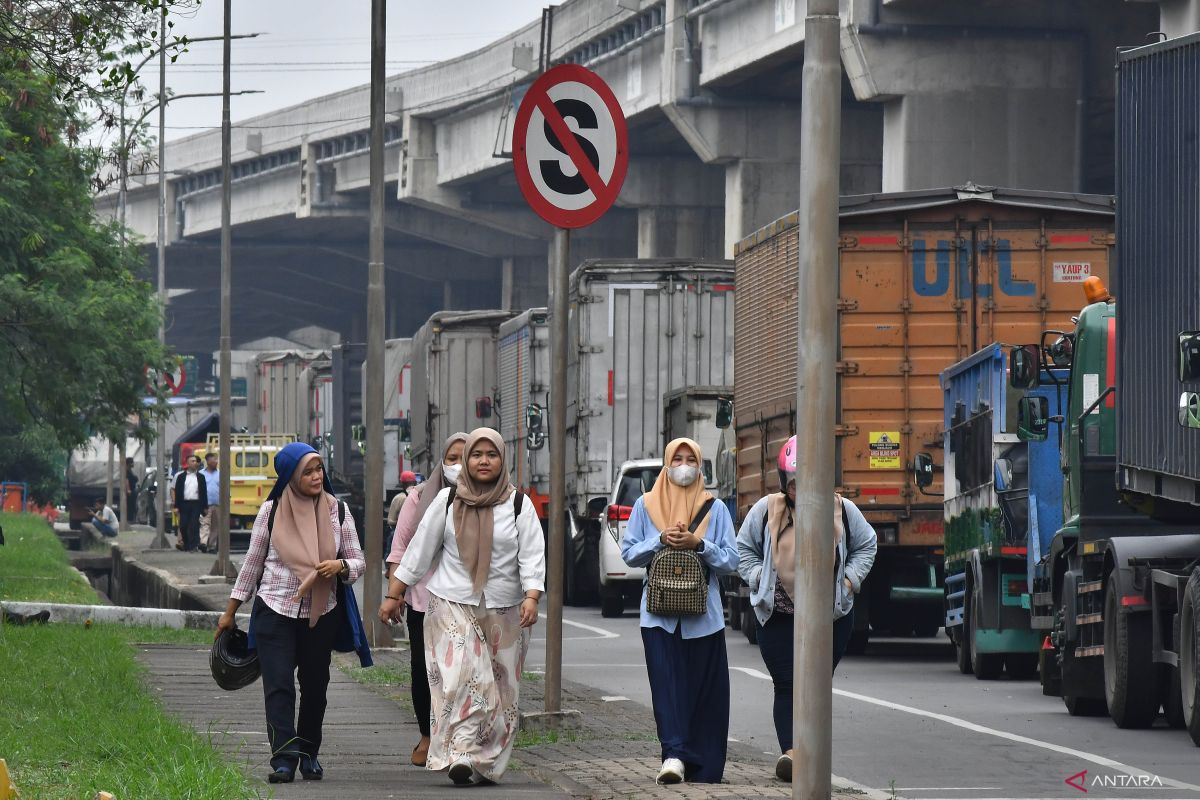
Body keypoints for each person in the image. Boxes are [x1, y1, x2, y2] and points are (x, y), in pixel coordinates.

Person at [379, 428, 544, 786]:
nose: (483, 461)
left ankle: (485, 763)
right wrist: (395, 594)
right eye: (476, 454)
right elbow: (419, 552)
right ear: (467, 460)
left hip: (505, 606)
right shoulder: (446, 500)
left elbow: (532, 556)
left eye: (491, 455)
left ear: (502, 460)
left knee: (503, 690)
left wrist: (532, 596)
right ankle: (462, 753)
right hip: (451, 602)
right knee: (468, 678)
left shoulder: (518, 504)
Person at [215, 442, 365, 784]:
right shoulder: (270, 511)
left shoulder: (337, 511)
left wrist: (340, 565)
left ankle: (309, 752)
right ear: (290, 476)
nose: (316, 477)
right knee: (278, 685)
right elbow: (252, 566)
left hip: (321, 612)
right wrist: (229, 612)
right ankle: (283, 758)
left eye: (318, 470)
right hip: (274, 608)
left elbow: (359, 561)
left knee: (316, 686)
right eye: (307, 471)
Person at [736, 435, 878, 782]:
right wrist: (760, 577)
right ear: (785, 483)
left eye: (809, 480)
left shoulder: (842, 509)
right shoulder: (767, 510)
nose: (802, 489)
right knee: (786, 684)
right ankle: (791, 754)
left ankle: (812, 754)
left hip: (831, 617)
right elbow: (743, 551)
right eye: (795, 483)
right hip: (778, 616)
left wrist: (847, 582)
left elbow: (867, 545)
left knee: (815, 686)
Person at [619, 437, 739, 786]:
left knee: (705, 692)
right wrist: (660, 540)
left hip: (705, 616)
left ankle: (703, 765)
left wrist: (699, 544)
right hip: (657, 616)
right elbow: (629, 554)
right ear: (667, 465)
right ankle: (673, 755)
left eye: (691, 459)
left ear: (700, 467)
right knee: (666, 687)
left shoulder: (714, 509)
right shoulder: (645, 505)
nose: (684, 466)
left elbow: (732, 560)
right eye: (678, 458)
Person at [379, 436, 466, 768]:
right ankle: (427, 735)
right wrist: (395, 591)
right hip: (423, 601)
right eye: (452, 457)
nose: (458, 464)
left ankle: (459, 739)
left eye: (464, 457)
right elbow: (400, 551)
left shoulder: (491, 500)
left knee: (461, 673)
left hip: (466, 603)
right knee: (424, 671)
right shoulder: (418, 499)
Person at [171, 455, 207, 552]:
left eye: (196, 461)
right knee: (183, 525)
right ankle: (186, 543)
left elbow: (203, 492)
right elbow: (178, 492)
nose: (195, 463)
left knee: (193, 524)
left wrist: (205, 507)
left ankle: (193, 545)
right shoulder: (181, 477)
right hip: (184, 504)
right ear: (187, 463)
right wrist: (176, 506)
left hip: (196, 504)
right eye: (192, 461)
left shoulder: (201, 477)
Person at [384, 469, 420, 556]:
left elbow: (390, 520)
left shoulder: (399, 498)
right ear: (415, 483)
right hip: (415, 534)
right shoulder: (420, 497)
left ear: (402, 484)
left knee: (391, 557)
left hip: (399, 535)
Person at [199, 451, 221, 553]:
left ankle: (212, 546)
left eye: (216, 460)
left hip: (217, 504)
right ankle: (203, 543)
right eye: (213, 460)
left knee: (215, 526)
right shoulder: (201, 474)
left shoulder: (220, 474)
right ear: (207, 461)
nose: (216, 462)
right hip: (205, 504)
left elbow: (225, 488)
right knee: (205, 523)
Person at [124, 457, 138, 528]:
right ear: (129, 463)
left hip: (133, 490)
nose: (133, 463)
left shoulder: (130, 470)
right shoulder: (126, 471)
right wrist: (128, 489)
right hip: (130, 491)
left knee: (133, 505)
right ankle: (129, 519)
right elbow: (126, 481)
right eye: (132, 462)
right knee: (130, 505)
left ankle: (131, 519)